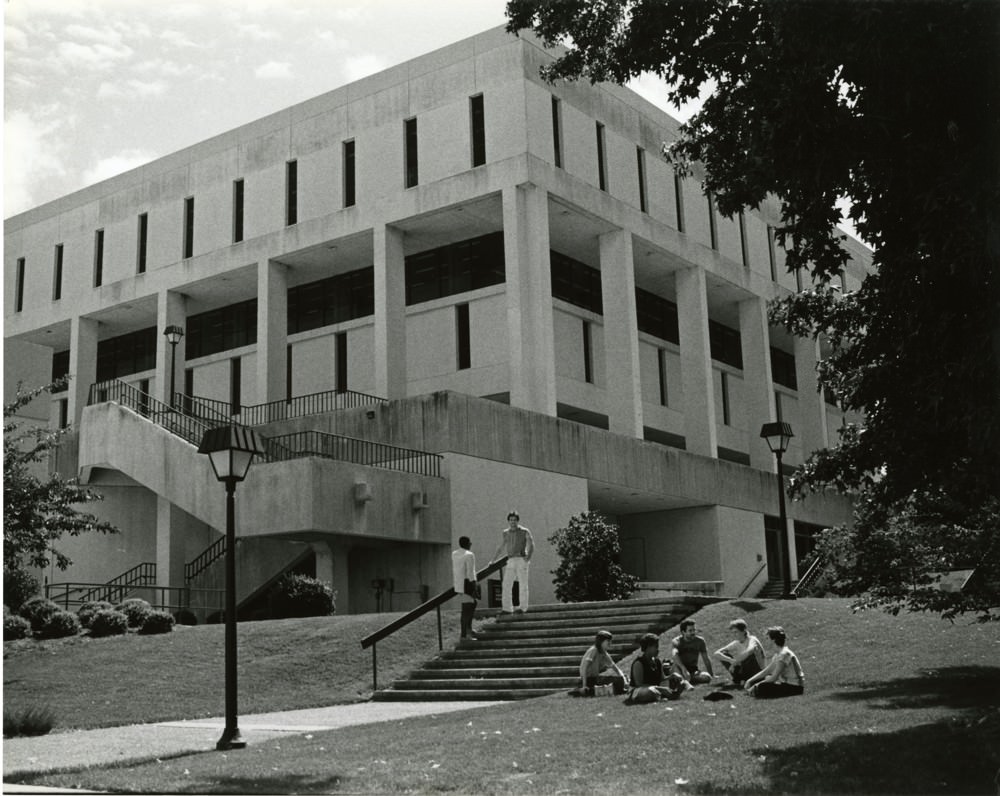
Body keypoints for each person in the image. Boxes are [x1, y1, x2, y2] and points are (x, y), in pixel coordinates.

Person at [626, 633, 691, 703]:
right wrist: (660, 689)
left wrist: (672, 676)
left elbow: (662, 678)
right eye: (656, 647)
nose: (658, 649)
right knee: (651, 691)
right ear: (648, 647)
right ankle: (666, 696)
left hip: (655, 688)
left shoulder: (657, 661)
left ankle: (671, 695)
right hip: (638, 691)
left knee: (680, 682)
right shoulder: (639, 663)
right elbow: (639, 684)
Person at [490, 510, 534, 614]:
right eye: (510, 520)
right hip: (510, 560)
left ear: (517, 521)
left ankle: (522, 608)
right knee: (506, 584)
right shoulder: (505, 532)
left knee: (523, 584)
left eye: (514, 520)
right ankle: (507, 608)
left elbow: (531, 544)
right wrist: (493, 560)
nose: (512, 522)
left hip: (521, 559)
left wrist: (528, 557)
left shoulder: (524, 531)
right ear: (508, 521)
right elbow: (501, 547)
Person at [745, 626, 805, 699]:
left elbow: (774, 677)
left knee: (762, 686)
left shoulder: (784, 654)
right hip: (786, 685)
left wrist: (756, 685)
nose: (766, 641)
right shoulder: (778, 654)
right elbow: (767, 671)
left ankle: (754, 691)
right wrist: (750, 680)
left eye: (767, 638)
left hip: (795, 687)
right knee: (763, 679)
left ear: (773, 640)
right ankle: (754, 691)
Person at [714, 619, 766, 687]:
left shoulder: (752, 639)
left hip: (758, 671)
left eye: (736, 632)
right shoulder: (736, 642)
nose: (734, 635)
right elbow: (716, 653)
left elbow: (749, 651)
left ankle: (744, 680)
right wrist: (730, 661)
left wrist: (734, 663)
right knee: (724, 653)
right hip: (745, 669)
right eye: (733, 633)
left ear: (744, 631)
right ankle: (740, 679)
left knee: (748, 656)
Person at [578, 630, 627, 695]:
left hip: (595, 678)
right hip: (588, 679)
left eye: (610, 641)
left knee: (622, 678)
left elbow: (615, 668)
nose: (610, 643)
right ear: (601, 641)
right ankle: (588, 690)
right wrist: (584, 685)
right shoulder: (594, 650)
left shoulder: (604, 653)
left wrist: (623, 679)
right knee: (617, 681)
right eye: (608, 641)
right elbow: (585, 668)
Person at [670, 619, 715, 685]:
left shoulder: (700, 641)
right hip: (679, 668)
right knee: (676, 667)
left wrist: (711, 674)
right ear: (683, 632)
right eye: (690, 631)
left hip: (693, 670)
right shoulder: (677, 641)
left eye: (694, 630)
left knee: (707, 677)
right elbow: (674, 655)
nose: (693, 632)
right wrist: (684, 669)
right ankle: (683, 680)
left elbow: (706, 659)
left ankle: (686, 680)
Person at [451, 536, 478, 639]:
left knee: (472, 604)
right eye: (470, 543)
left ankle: (468, 629)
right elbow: (471, 572)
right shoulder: (469, 555)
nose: (471, 544)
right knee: (467, 609)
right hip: (467, 583)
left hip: (459, 583)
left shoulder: (454, 554)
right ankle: (465, 634)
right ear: (467, 544)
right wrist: (474, 586)